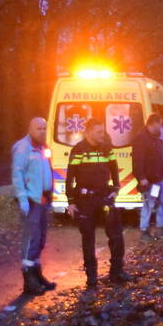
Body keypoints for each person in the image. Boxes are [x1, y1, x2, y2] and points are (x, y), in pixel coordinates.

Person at [66, 117, 128, 287]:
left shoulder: (106, 148)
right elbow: (70, 177)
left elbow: (115, 171)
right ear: (89, 132)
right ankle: (91, 277)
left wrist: (115, 189)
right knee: (88, 238)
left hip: (105, 197)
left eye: (103, 131)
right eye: (99, 132)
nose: (103, 134)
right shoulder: (78, 150)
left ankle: (117, 272)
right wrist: (71, 201)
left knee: (116, 234)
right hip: (85, 200)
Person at [11, 117, 57, 295]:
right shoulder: (23, 148)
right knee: (32, 239)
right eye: (39, 129)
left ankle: (37, 274)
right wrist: (22, 198)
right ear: (30, 129)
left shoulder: (43, 147)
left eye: (45, 128)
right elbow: (17, 174)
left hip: (43, 199)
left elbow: (47, 170)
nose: (42, 132)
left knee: (41, 239)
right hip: (31, 200)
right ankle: (29, 279)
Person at [131, 112, 163, 241]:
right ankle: (144, 230)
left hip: (157, 180)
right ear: (153, 123)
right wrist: (142, 177)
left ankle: (160, 228)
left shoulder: (155, 137)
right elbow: (137, 160)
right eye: (159, 124)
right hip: (149, 181)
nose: (160, 127)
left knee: (162, 201)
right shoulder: (141, 138)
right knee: (149, 204)